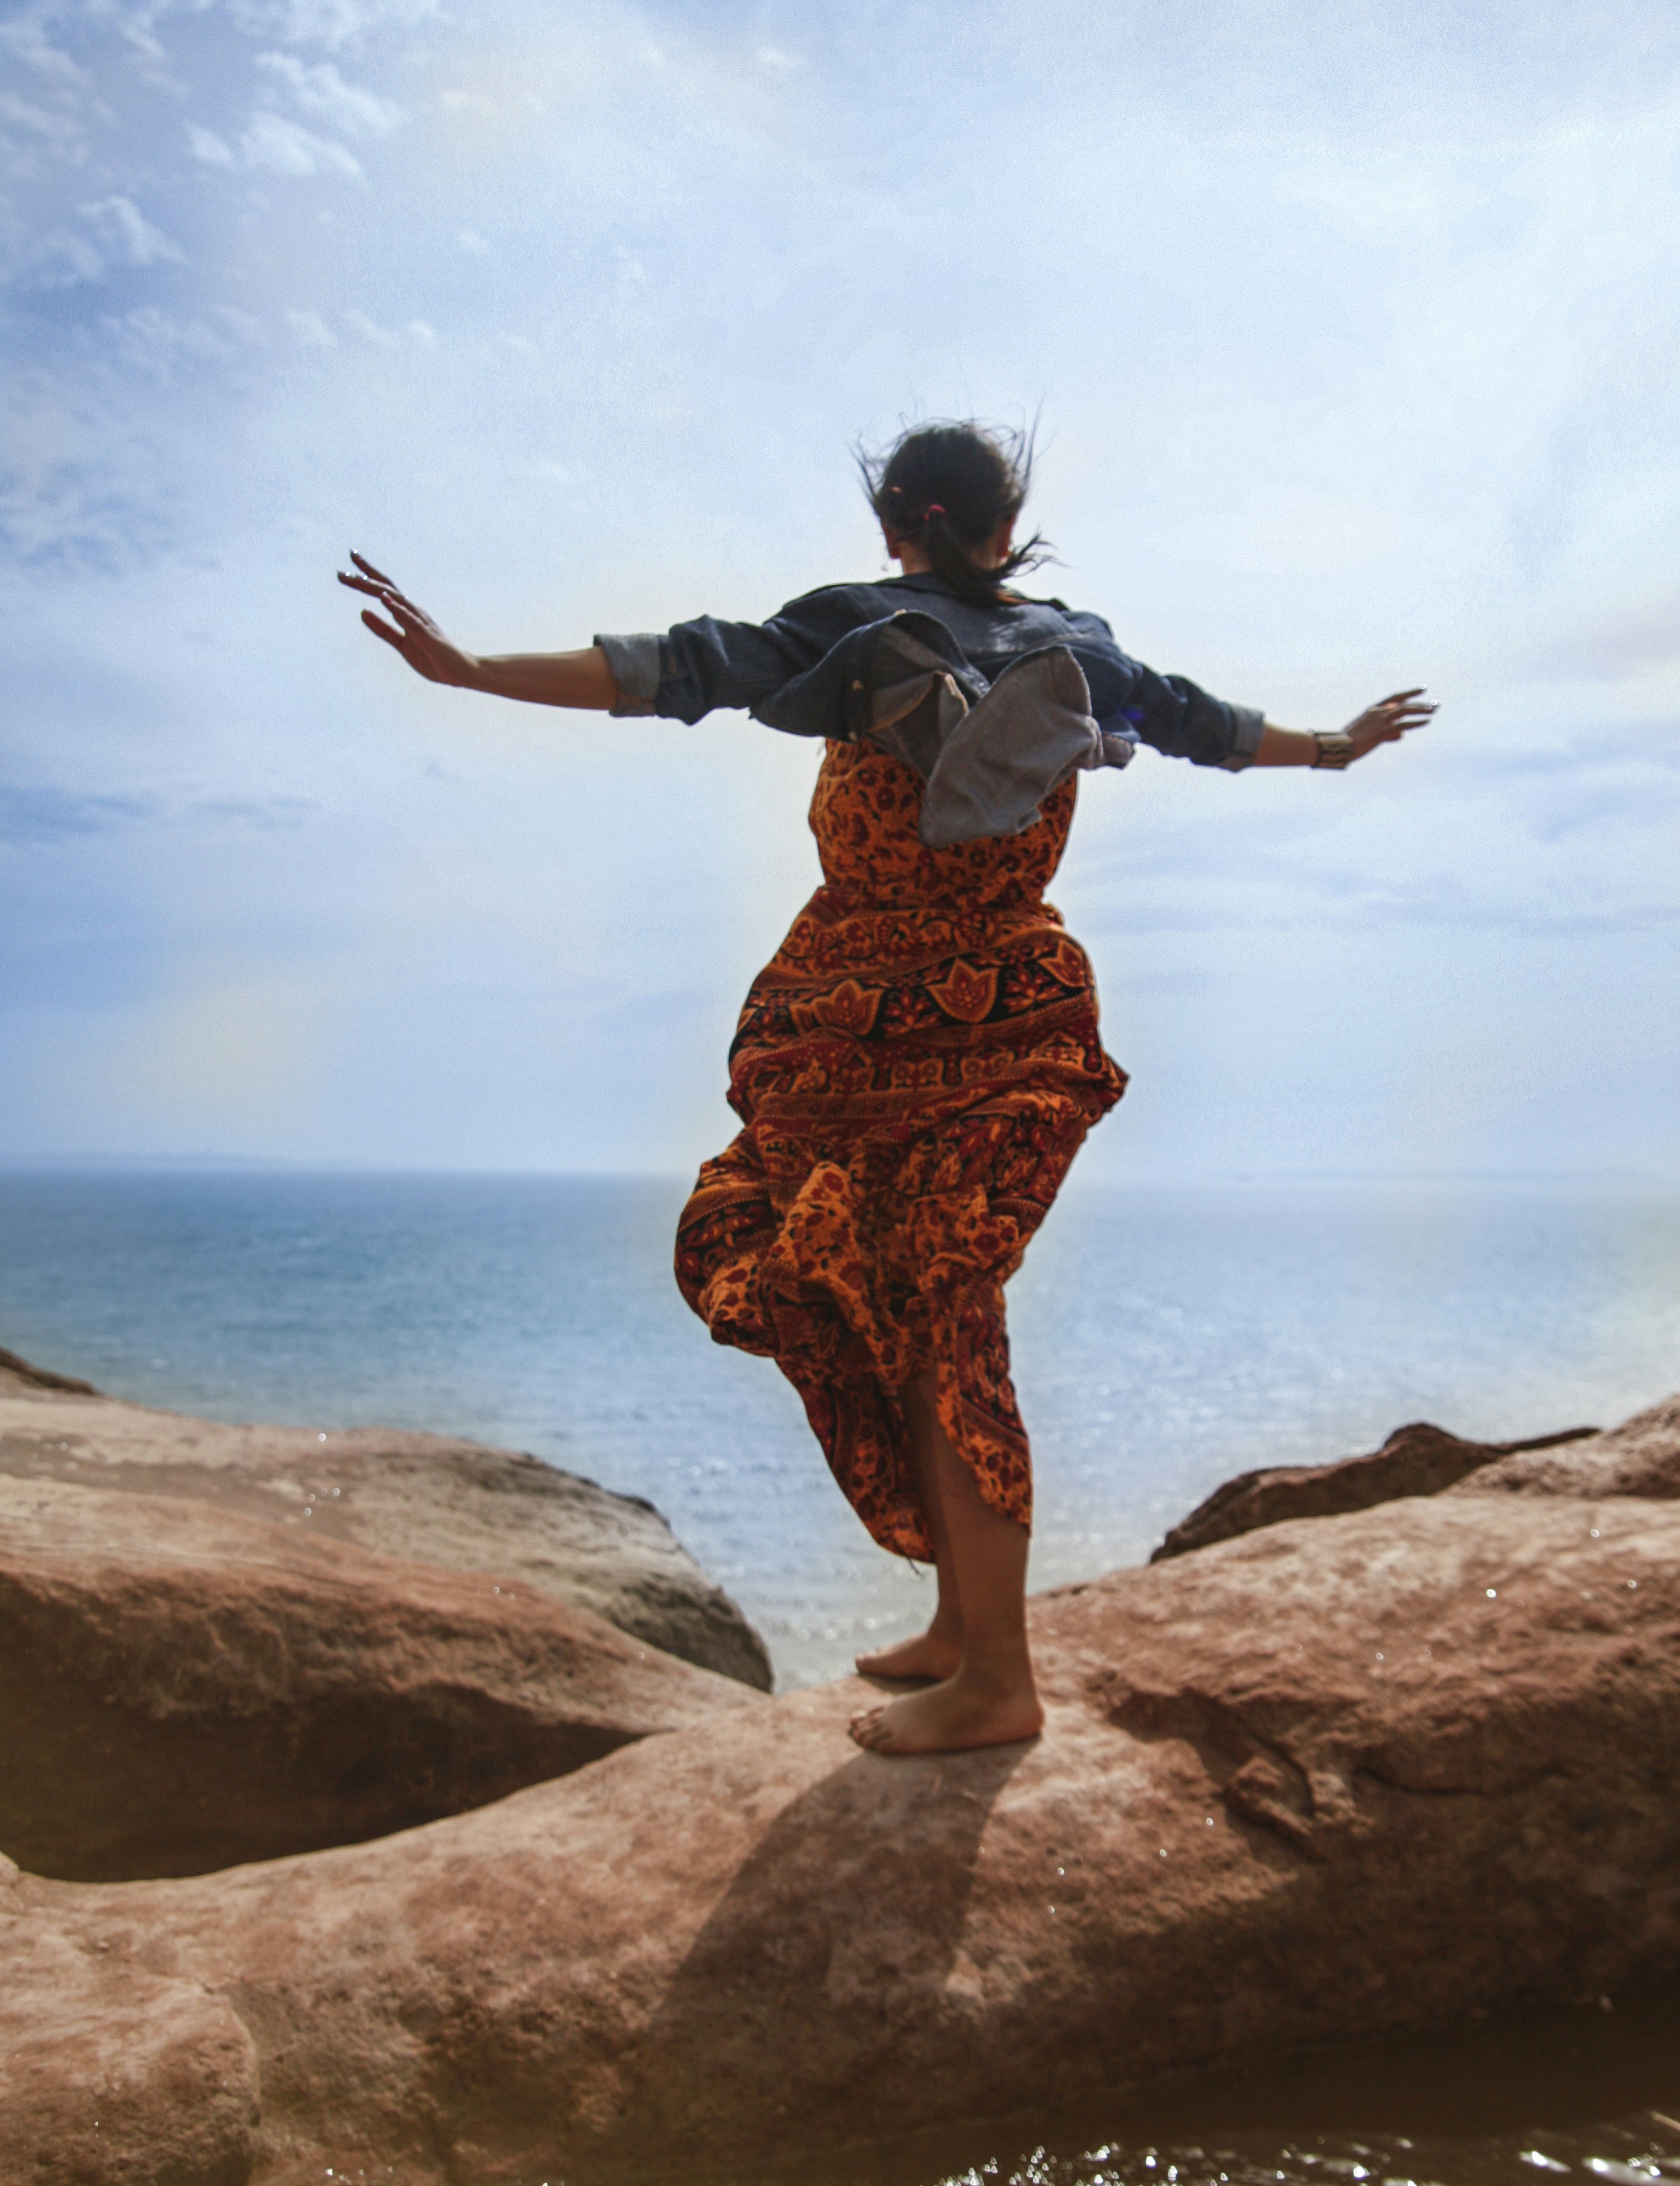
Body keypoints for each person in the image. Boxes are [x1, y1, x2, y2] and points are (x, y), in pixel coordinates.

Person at [341, 424, 1431, 1758]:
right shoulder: (1078, 647)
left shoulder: (864, 622)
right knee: (913, 1294)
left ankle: (1000, 1681)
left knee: (935, 1307)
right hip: (995, 1006)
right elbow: (1201, 722)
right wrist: (1333, 746)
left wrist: (471, 671)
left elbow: (686, 666)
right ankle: (963, 1627)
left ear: (901, 519)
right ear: (1001, 519)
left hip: (875, 1014)